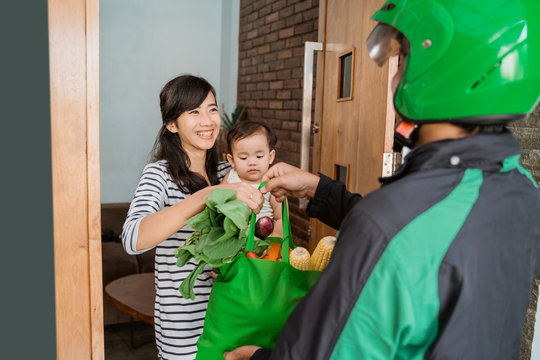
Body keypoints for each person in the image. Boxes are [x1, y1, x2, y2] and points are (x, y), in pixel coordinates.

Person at [224, 0, 540, 359]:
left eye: (402, 58)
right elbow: (426, 244)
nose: (394, 75)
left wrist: (253, 357)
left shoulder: (392, 219)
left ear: (441, 71)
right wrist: (315, 187)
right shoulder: (523, 190)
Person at [121, 74, 264, 359]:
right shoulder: (160, 175)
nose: (207, 121)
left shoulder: (231, 173)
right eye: (194, 112)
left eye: (211, 109)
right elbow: (133, 239)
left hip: (234, 317)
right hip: (184, 329)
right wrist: (205, 197)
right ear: (172, 124)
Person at [222, 120, 283, 238]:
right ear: (232, 160)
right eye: (244, 158)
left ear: (270, 157)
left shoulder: (272, 183)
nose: (252, 162)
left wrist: (275, 238)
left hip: (264, 242)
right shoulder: (231, 178)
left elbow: (281, 217)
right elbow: (217, 200)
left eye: (259, 156)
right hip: (233, 242)